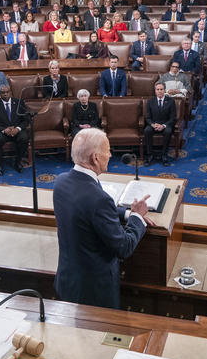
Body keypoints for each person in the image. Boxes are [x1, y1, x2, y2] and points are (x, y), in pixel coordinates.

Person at [52, 128, 151, 309]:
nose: (111, 154)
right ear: (95, 158)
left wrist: (127, 213)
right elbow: (124, 247)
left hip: (67, 281)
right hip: (93, 293)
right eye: (107, 150)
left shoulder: (60, 182)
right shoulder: (99, 199)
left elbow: (87, 209)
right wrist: (137, 217)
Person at [0, 84, 30, 173]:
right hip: (2, 131)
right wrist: (3, 130)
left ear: (11, 92)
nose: (5, 94)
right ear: (0, 93)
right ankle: (0, 164)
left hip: (16, 130)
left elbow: (26, 120)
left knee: (24, 138)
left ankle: (18, 162)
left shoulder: (19, 102)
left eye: (7, 92)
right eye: (3, 93)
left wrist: (18, 128)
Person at [143, 82, 176, 165]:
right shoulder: (150, 101)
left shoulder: (171, 101)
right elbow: (147, 117)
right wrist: (153, 124)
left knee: (168, 131)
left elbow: (173, 118)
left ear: (164, 90)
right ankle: (149, 155)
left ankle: (164, 155)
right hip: (154, 124)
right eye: (158, 89)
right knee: (147, 130)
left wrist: (163, 126)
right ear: (155, 91)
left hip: (165, 124)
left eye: (161, 89)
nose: (159, 91)